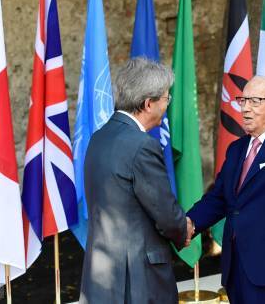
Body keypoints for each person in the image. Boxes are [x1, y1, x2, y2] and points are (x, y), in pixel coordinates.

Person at [186, 76, 265, 304]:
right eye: (242, 100)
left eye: (254, 101)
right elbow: (219, 198)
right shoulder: (237, 149)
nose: (245, 108)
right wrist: (188, 224)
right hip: (237, 264)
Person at [79, 58, 193, 304]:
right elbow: (164, 212)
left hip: (102, 276)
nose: (168, 105)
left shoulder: (99, 137)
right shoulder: (141, 145)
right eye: (166, 99)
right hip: (137, 281)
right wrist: (183, 229)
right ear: (148, 103)